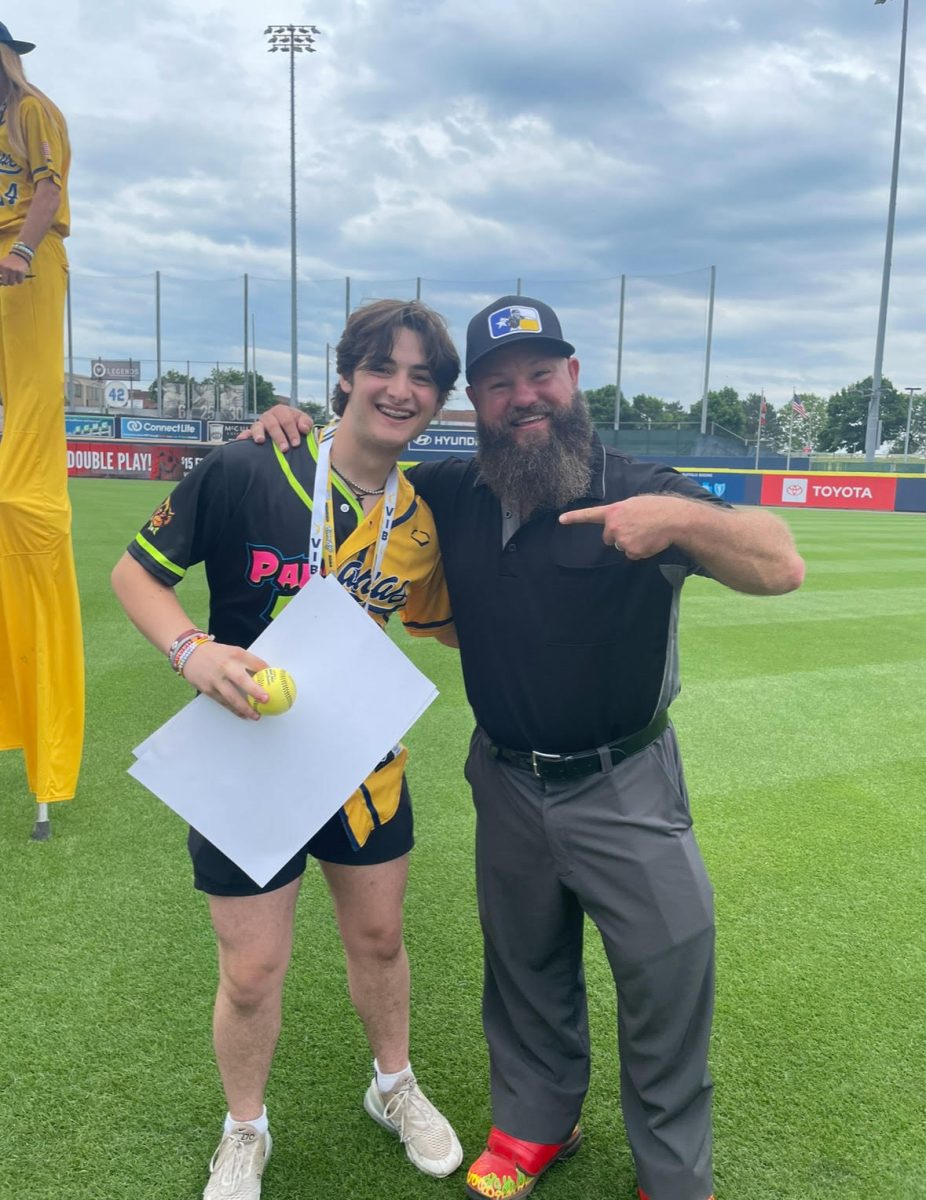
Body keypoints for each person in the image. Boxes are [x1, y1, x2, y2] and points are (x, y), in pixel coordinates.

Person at [249, 294, 805, 1200]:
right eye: (500, 384)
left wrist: (682, 522)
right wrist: (290, 422)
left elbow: (778, 564)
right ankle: (538, 1125)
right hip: (504, 776)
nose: (524, 397)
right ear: (474, 400)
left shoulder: (635, 481)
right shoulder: (451, 492)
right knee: (525, 965)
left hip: (623, 777)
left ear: (573, 378)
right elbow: (354, 463)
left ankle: (672, 1172)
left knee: (666, 973)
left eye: (540, 374)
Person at [112, 299, 465, 1200]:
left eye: (424, 377)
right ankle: (245, 1129)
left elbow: (443, 626)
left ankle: (394, 1087)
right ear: (346, 375)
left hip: (364, 768)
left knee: (381, 940)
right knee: (254, 968)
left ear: (439, 400)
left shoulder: (421, 520)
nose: (402, 389)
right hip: (246, 761)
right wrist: (192, 653)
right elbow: (135, 575)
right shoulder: (246, 465)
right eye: (384, 367)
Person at [0, 22, 84, 826]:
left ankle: (18, 481)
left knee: (27, 407)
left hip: (24, 261)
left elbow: (48, 191)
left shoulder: (31, 110)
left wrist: (22, 252)